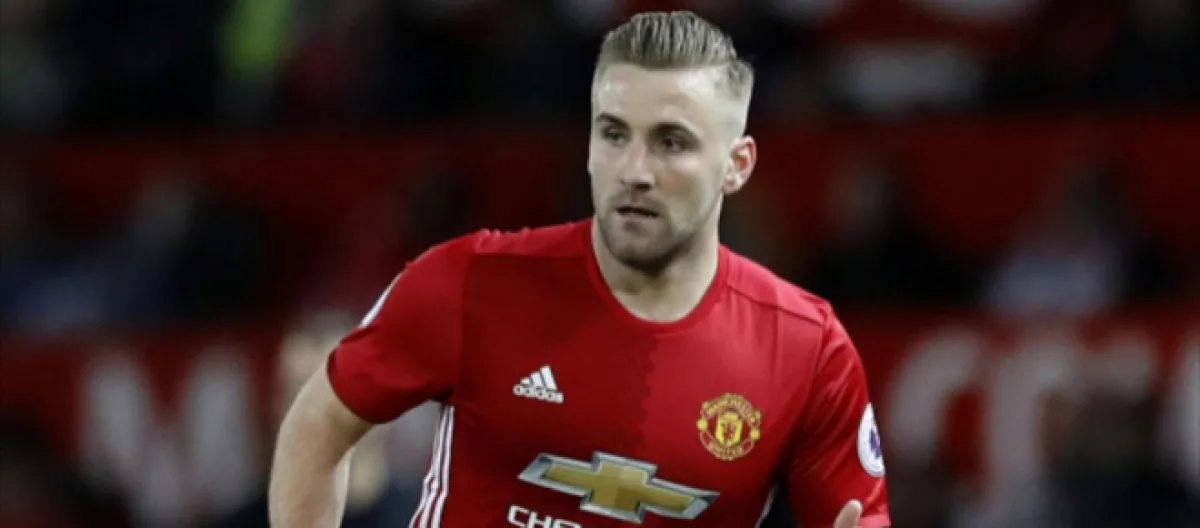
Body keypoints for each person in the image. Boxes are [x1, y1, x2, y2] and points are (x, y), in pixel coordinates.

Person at [269, 11, 890, 528]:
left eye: (671, 142)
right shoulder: (472, 280)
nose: (635, 170)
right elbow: (320, 418)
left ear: (738, 164)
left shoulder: (807, 351)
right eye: (614, 134)